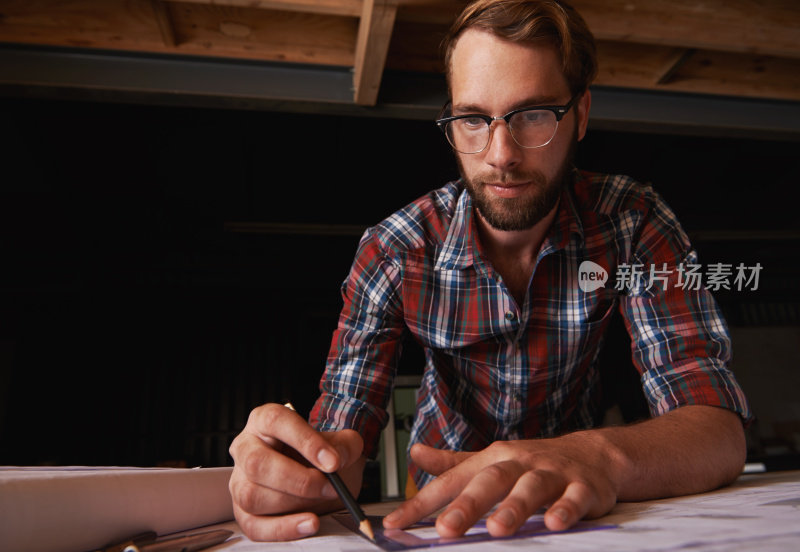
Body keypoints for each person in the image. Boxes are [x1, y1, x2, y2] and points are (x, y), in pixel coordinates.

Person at [228, 0, 752, 542]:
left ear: (581, 114)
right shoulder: (392, 249)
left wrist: (596, 453)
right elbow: (344, 440)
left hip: (579, 494)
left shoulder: (634, 221)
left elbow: (716, 431)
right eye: (473, 119)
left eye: (532, 115)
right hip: (441, 506)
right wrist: (306, 469)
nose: (500, 154)